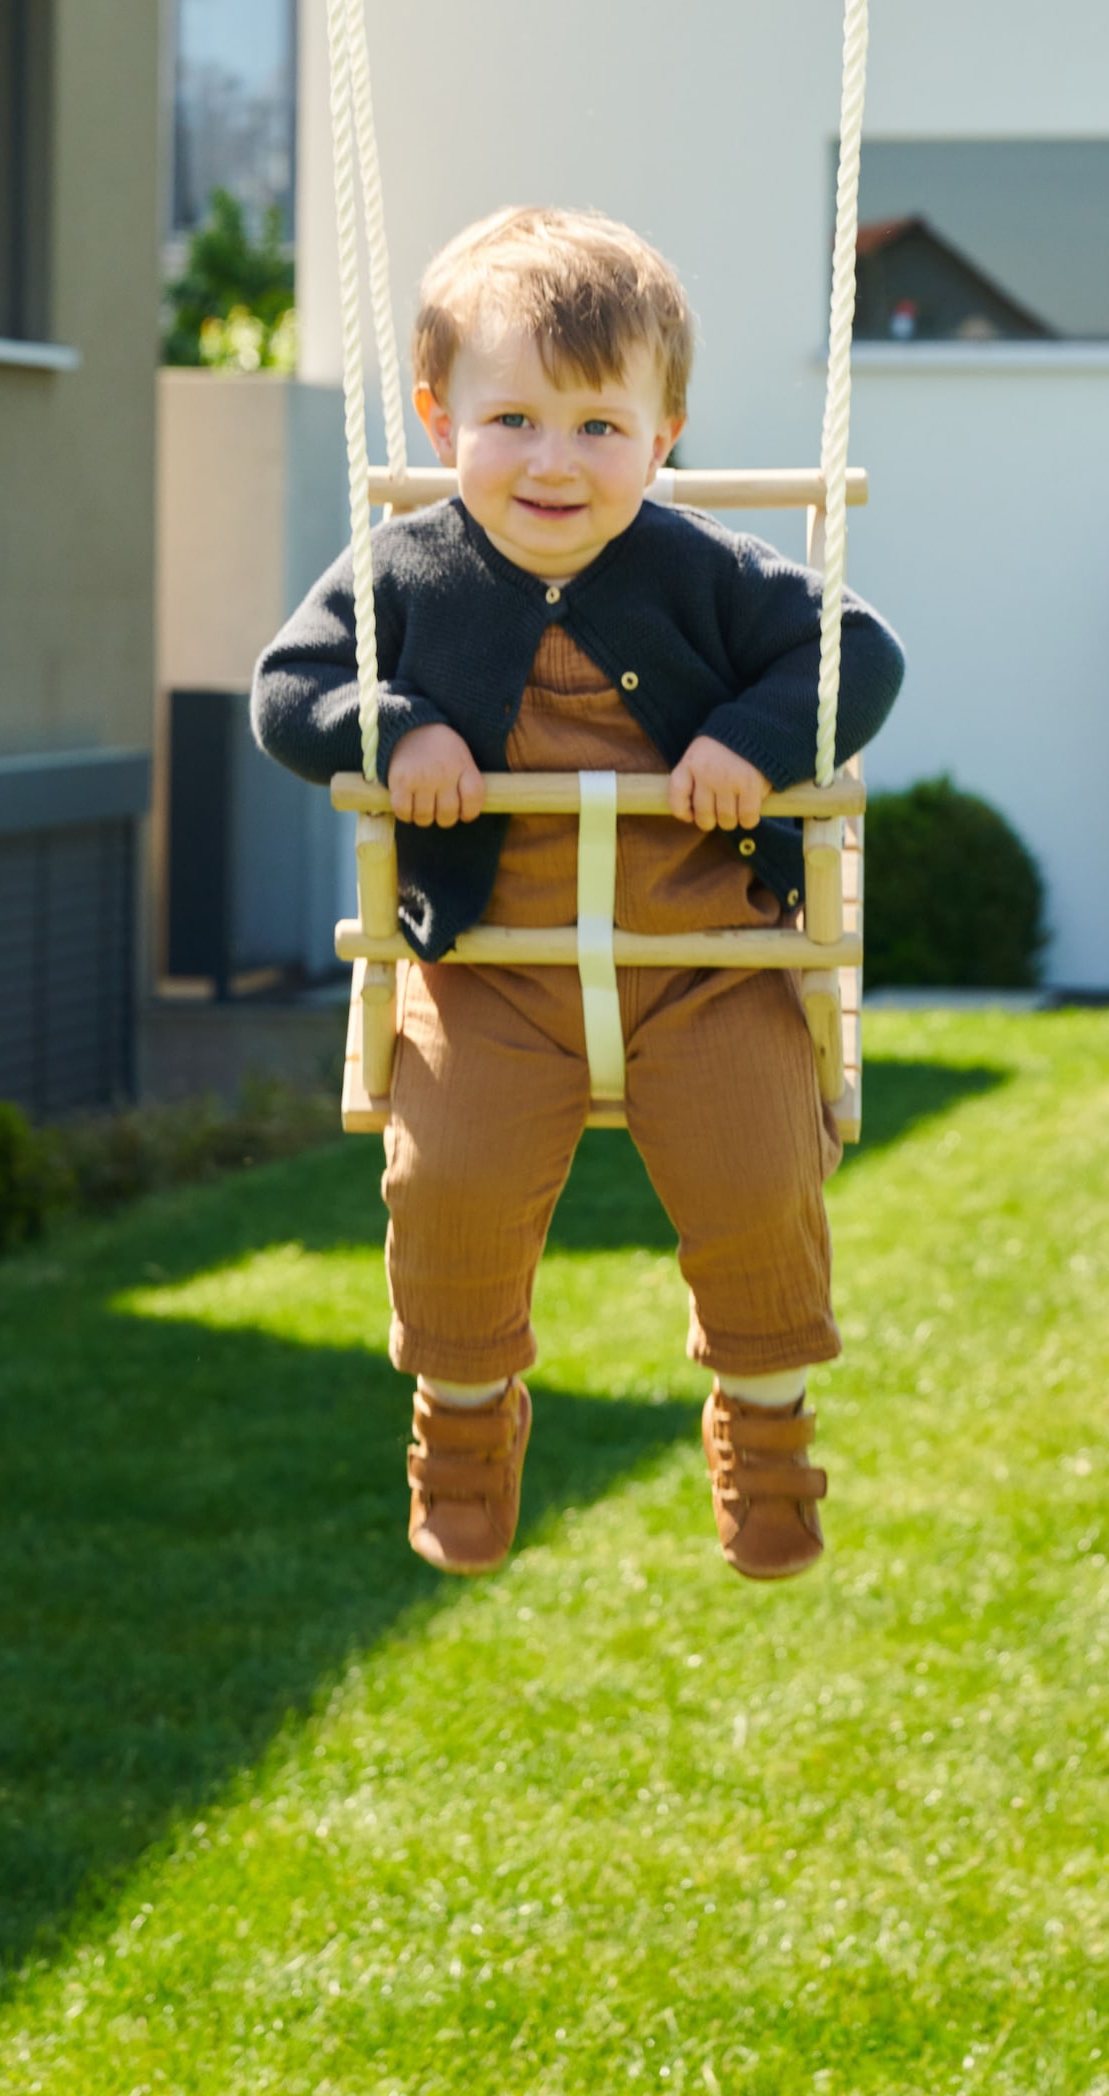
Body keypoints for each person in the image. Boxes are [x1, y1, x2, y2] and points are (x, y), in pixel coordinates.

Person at [252, 207, 904, 1581]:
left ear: (664, 437)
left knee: (762, 1177)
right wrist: (393, 728)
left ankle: (767, 1428)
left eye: (600, 428)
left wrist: (748, 743)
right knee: (448, 1188)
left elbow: (852, 653)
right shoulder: (401, 577)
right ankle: (465, 1419)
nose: (555, 462)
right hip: (490, 971)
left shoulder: (703, 571)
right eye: (514, 420)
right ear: (440, 421)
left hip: (705, 962)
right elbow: (287, 691)